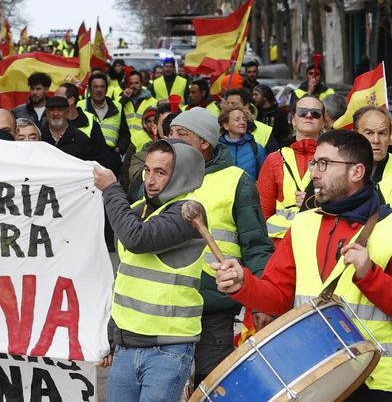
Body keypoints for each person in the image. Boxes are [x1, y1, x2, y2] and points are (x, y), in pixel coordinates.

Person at [213, 130, 392, 401]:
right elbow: (279, 298)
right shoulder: (303, 223)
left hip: (371, 381)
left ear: (357, 172)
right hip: (310, 377)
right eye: (314, 163)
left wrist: (370, 275)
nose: (313, 172)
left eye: (324, 164)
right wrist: (243, 285)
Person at [93, 140, 207, 401]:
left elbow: (138, 239)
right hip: (126, 345)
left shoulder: (188, 213)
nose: (150, 180)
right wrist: (112, 335)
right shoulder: (136, 211)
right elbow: (127, 279)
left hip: (167, 349)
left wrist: (111, 189)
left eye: (161, 172)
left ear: (180, 176)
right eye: (147, 170)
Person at [166, 109, 273, 383]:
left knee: (211, 384)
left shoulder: (237, 180)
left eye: (182, 134)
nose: (172, 139)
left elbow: (256, 245)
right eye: (171, 132)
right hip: (165, 305)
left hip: (213, 305)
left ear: (205, 141)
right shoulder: (157, 176)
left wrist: (262, 303)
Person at [258, 95, 326, 239]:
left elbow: (347, 203)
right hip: (279, 246)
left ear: (323, 122)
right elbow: (263, 215)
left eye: (315, 113)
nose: (308, 115)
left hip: (319, 242)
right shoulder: (274, 159)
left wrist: (316, 201)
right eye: (302, 112)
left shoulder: (336, 159)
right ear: (293, 120)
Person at [354, 107, 392, 214]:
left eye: (382, 133)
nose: (376, 140)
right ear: (355, 134)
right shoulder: (337, 169)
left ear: (390, 136)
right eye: (369, 133)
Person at [85, 72, 130, 154]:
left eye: (102, 87)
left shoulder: (117, 107)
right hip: (87, 156)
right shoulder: (81, 106)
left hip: (110, 155)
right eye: (95, 87)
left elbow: (125, 134)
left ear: (106, 89)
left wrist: (119, 148)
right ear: (90, 89)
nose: (99, 90)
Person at [218, 107, 267, 180]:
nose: (242, 122)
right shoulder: (218, 148)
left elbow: (265, 177)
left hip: (249, 191)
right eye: (237, 120)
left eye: (244, 119)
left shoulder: (257, 148)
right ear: (226, 125)